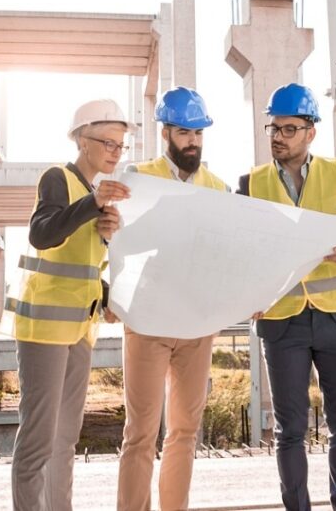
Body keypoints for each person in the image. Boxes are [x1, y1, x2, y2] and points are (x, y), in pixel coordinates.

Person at [237, 83, 336, 511]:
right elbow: (234, 249)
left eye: (288, 128)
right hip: (283, 322)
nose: (278, 136)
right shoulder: (251, 183)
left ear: (310, 132)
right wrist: (245, 292)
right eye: (273, 128)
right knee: (290, 430)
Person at [8, 99, 133, 511]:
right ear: (81, 139)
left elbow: (82, 268)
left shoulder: (94, 195)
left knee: (65, 438)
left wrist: (108, 293)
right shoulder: (58, 178)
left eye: (121, 145)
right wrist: (91, 206)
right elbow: (42, 235)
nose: (115, 151)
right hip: (44, 328)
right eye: (107, 142)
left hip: (80, 328)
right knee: (39, 438)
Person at [117, 87, 229, 511]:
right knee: (140, 432)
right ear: (166, 132)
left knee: (184, 432)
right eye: (185, 132)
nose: (193, 141)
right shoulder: (138, 177)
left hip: (197, 324)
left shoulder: (217, 187)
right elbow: (120, 244)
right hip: (148, 321)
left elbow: (227, 253)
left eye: (199, 133)